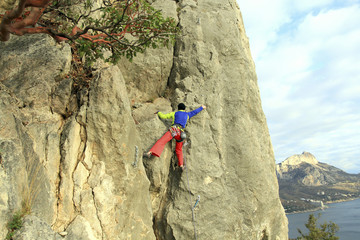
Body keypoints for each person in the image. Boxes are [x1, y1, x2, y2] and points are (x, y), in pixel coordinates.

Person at [144, 103, 206, 170]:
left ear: (178, 108)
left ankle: (149, 152)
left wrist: (159, 113)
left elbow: (164, 116)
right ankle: (181, 166)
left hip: (173, 131)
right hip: (181, 134)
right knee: (179, 150)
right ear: (184, 109)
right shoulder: (187, 115)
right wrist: (201, 107)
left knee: (162, 141)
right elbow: (194, 112)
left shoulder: (174, 113)